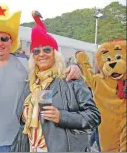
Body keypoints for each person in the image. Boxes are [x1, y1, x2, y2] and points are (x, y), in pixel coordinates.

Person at [0, 4, 82, 152]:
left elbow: (51, 68)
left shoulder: (26, 62)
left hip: (26, 139)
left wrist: (77, 67)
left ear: (12, 41)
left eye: (4, 38)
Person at [21, 11, 101, 152]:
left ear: (55, 54)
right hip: (34, 148)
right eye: (36, 51)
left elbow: (94, 116)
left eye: (46, 49)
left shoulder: (71, 79)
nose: (41, 54)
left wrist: (62, 116)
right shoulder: (33, 83)